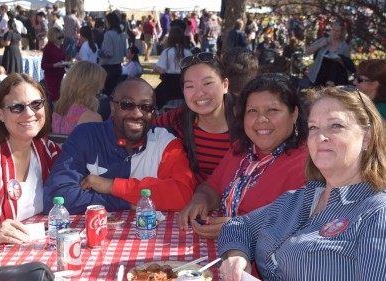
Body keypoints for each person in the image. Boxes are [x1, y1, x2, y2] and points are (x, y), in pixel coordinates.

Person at [217, 86, 386, 281]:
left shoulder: (377, 213)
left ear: (367, 137)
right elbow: (240, 225)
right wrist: (237, 255)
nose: (320, 137)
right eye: (313, 127)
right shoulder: (304, 196)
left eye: (336, 126)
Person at [178, 73, 308, 240]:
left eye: (272, 110)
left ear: (294, 114)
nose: (261, 119)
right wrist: (200, 200)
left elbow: (298, 225)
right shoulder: (240, 148)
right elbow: (211, 187)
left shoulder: (308, 162)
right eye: (252, 111)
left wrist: (239, 228)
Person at [43, 78, 196, 214]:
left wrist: (111, 186)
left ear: (154, 113)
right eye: (127, 105)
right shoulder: (86, 136)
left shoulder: (165, 142)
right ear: (113, 108)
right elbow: (57, 197)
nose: (137, 114)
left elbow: (182, 194)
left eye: (146, 107)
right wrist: (127, 202)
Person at [0, 73, 61, 244]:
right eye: (17, 107)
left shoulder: (47, 150)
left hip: (35, 253)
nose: (29, 113)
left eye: (36, 104)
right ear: (0, 114)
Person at [154, 52, 236, 184]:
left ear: (225, 85)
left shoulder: (246, 124)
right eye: (190, 86)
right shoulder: (175, 120)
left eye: (207, 83)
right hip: (188, 201)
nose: (199, 93)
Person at [51, 61, 105, 134]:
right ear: (92, 87)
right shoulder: (93, 117)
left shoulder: (57, 112)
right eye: (99, 85)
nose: (99, 90)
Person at [154, 26, 192, 109]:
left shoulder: (167, 52)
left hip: (168, 87)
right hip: (183, 87)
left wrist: (155, 67)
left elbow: (162, 70)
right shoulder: (188, 53)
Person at [305, 20, 352, 87]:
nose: (334, 33)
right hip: (315, 78)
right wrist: (319, 45)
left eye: (337, 31)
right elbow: (307, 52)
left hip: (332, 82)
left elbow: (348, 66)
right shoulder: (323, 40)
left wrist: (340, 60)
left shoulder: (345, 47)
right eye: (333, 30)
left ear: (341, 33)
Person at [99, 12, 127, 96]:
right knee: (114, 94)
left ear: (109, 22)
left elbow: (109, 53)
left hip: (108, 68)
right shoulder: (122, 34)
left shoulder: (108, 34)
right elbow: (124, 52)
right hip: (118, 67)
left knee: (107, 94)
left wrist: (99, 53)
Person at [41, 27, 66, 103]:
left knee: (62, 98)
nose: (61, 39)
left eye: (62, 37)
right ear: (53, 38)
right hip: (52, 78)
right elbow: (43, 65)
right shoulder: (48, 48)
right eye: (59, 38)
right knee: (55, 99)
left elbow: (63, 58)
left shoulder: (61, 46)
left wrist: (66, 63)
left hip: (61, 75)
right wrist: (54, 65)